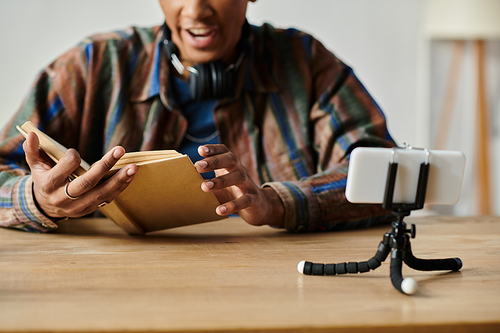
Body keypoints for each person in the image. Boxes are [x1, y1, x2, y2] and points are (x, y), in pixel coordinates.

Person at [0, 0, 396, 233]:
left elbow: (387, 177)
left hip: (272, 291)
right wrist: (38, 198)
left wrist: (278, 203)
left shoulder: (306, 63)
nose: (196, 10)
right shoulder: (92, 65)